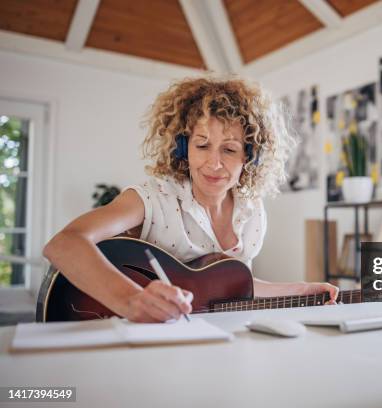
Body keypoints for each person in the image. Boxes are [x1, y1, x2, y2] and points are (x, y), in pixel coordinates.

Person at [43, 75, 339, 323]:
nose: (214, 163)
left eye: (230, 149)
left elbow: (235, 285)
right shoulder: (153, 199)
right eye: (202, 145)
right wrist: (131, 300)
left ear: (251, 157)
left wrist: (302, 290)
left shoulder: (252, 213)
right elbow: (63, 244)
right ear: (183, 149)